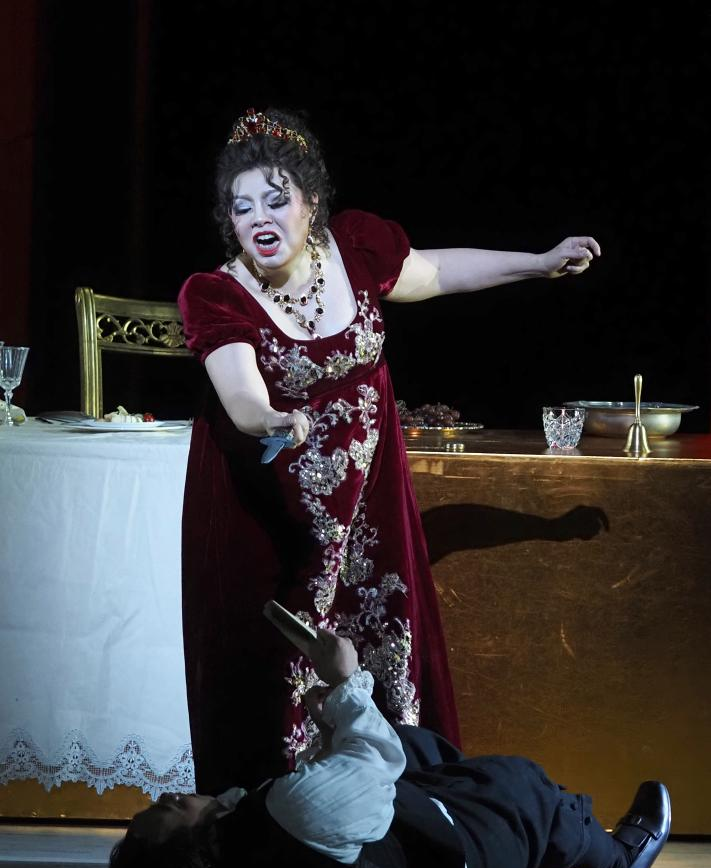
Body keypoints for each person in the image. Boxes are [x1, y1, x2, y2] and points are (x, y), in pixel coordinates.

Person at [178, 107, 602, 793]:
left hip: (371, 515)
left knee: (384, 662)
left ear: (311, 202)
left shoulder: (354, 249)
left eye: (276, 200)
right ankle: (288, 820)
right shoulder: (217, 294)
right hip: (281, 524)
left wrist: (539, 263)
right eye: (242, 205)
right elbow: (241, 395)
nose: (259, 217)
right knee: (288, 681)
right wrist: (274, 418)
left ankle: (403, 820)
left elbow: (434, 271)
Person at [109, 630, 670, 868]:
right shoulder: (283, 816)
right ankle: (618, 866)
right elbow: (373, 762)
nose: (171, 796)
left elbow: (338, 808)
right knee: (519, 783)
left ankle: (545, 862)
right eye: (169, 810)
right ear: (199, 848)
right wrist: (344, 681)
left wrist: (333, 728)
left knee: (418, 746)